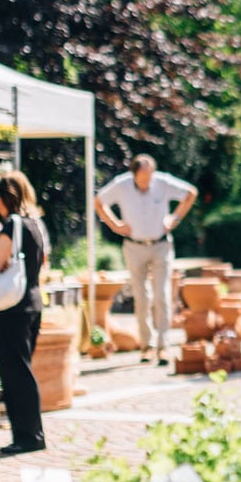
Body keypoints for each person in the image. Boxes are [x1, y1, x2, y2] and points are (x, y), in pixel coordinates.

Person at [94, 155, 197, 365]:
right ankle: (146, 346)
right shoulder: (121, 185)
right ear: (134, 174)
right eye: (142, 178)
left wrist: (175, 218)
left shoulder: (162, 181)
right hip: (134, 247)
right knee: (142, 297)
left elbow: (191, 193)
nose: (147, 182)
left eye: (149, 177)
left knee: (162, 295)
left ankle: (163, 346)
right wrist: (115, 225)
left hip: (161, 245)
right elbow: (98, 202)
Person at [0, 171, 50, 455]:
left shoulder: (13, 224)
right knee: (23, 369)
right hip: (33, 301)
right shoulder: (36, 223)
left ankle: (28, 436)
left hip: (13, 307)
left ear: (4, 198)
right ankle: (29, 434)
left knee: (15, 373)